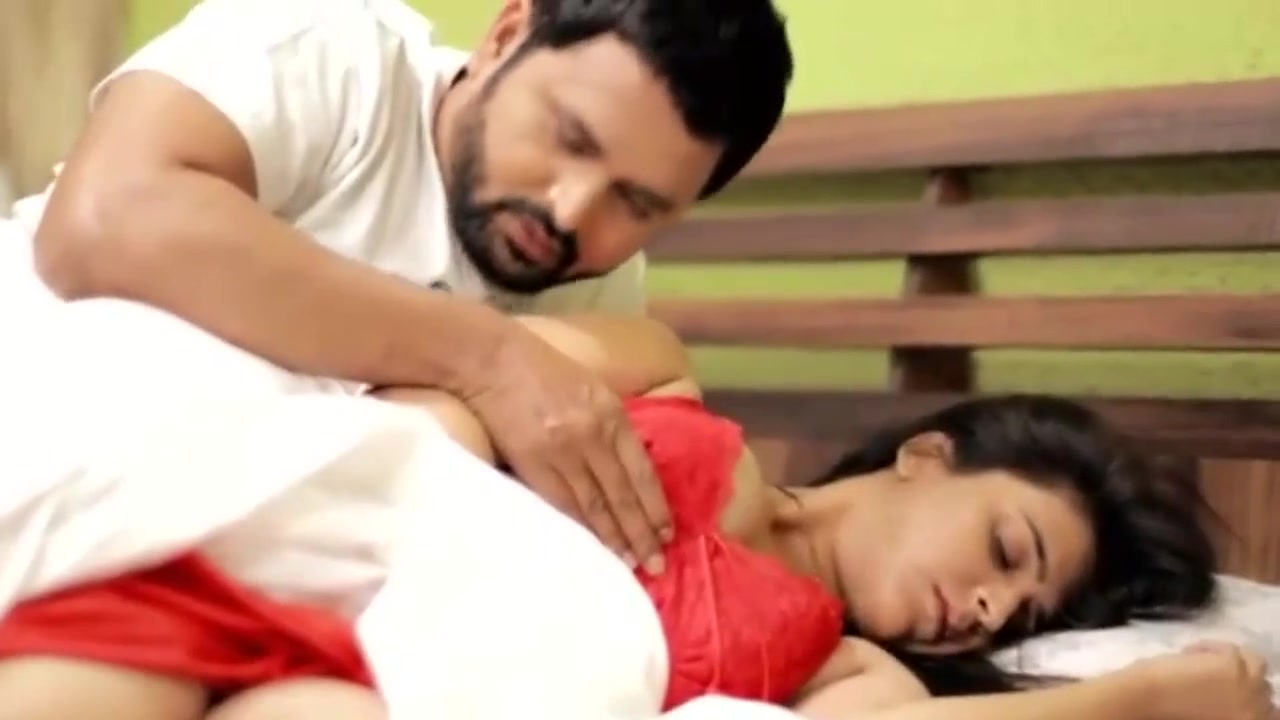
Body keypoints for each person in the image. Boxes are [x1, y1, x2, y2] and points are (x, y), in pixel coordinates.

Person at [0, 315, 1270, 720]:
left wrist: (1145, 698)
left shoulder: (841, 667)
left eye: (1018, 611)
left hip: (381, 690)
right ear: (925, 456)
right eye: (1005, 549)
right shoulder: (663, 388)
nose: (987, 606)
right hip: (313, 559)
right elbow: (426, 392)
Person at [0, 0, 794, 575]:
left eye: (637, 204)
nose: (569, 212)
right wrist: (488, 357)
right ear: (505, 36)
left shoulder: (601, 280)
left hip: (210, 543)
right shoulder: (329, 46)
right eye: (569, 138)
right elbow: (100, 222)